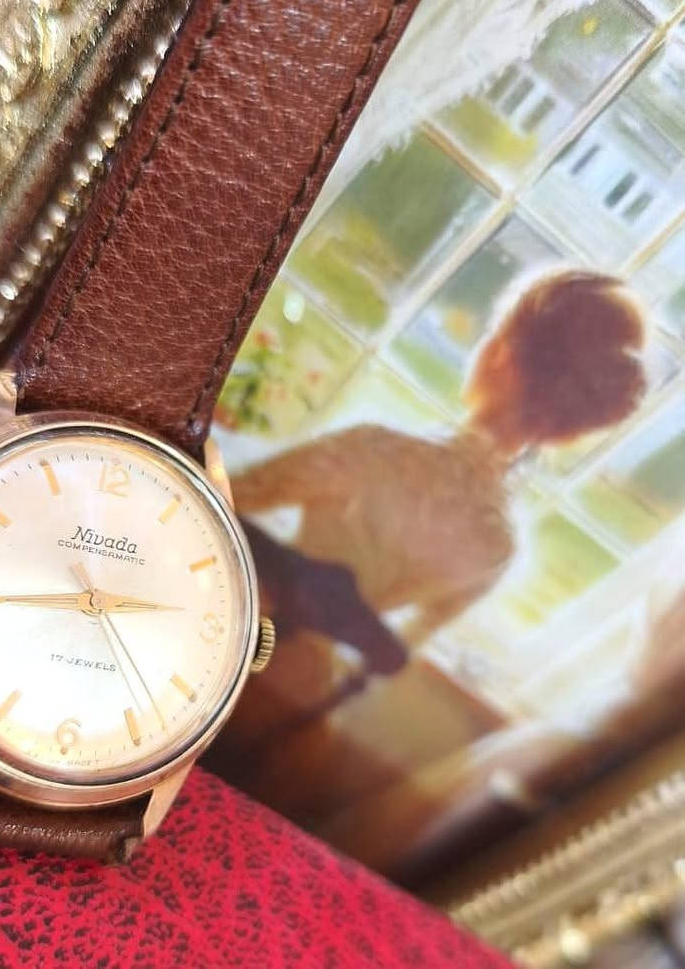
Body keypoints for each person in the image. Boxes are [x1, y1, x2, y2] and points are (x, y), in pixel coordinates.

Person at [210, 271, 647, 830]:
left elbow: (227, 498)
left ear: (501, 356)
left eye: (492, 332)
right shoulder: (498, 546)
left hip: (226, 655)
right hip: (296, 721)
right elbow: (392, 648)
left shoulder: (378, 448)